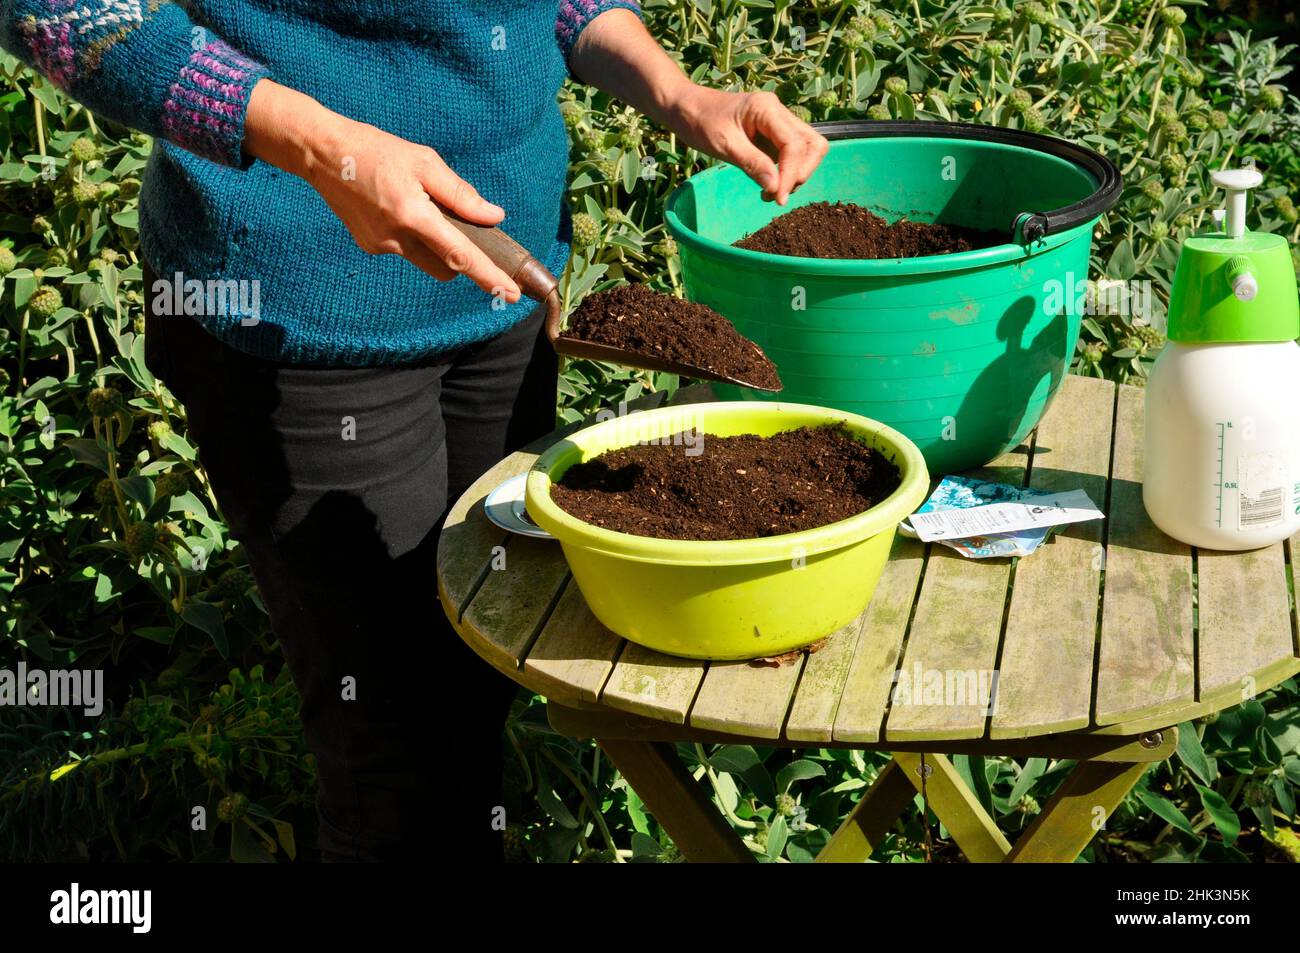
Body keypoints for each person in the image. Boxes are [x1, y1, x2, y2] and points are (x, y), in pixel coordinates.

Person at [1, 0, 828, 861]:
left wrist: (675, 88)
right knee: (390, 756)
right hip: (300, 311)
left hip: (503, 279)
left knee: (480, 676)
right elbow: (57, 11)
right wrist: (324, 147)